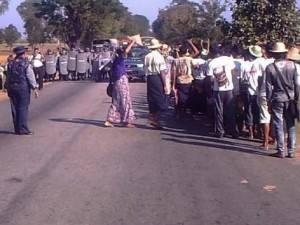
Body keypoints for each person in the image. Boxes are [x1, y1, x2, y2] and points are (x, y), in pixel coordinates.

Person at [266, 42, 299, 158]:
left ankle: (281, 150)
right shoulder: (292, 65)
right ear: (284, 53)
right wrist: (296, 98)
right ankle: (291, 151)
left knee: (279, 124)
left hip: (277, 98)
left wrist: (269, 100)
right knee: (291, 125)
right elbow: (296, 84)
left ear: (274, 54)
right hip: (290, 98)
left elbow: (269, 87)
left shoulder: (270, 68)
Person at [206, 44, 239, 138]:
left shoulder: (211, 63)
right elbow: (234, 72)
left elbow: (210, 79)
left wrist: (209, 93)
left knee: (219, 111)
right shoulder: (228, 59)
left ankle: (220, 131)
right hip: (229, 88)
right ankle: (234, 131)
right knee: (230, 110)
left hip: (218, 90)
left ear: (211, 53)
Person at [6, 46, 39, 135]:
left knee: (15, 108)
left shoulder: (10, 63)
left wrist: (8, 88)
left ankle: (17, 128)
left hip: (12, 88)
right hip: (23, 88)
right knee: (23, 108)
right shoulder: (26, 64)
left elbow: (8, 77)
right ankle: (23, 129)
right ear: (23, 54)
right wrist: (35, 88)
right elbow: (30, 77)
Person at [104, 38, 136, 128]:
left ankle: (110, 119)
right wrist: (132, 43)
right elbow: (126, 51)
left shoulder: (115, 60)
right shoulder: (119, 59)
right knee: (125, 101)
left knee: (117, 101)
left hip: (117, 82)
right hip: (121, 82)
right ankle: (127, 121)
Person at [144, 38, 170, 129]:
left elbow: (145, 69)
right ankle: (155, 118)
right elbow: (162, 71)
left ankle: (155, 119)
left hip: (150, 78)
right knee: (161, 99)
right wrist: (165, 84)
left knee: (152, 98)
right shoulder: (159, 57)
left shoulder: (147, 56)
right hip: (157, 77)